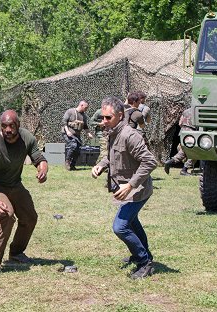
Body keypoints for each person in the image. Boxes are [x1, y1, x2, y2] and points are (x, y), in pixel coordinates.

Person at [91, 96, 157, 279]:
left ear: (120, 116)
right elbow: (115, 156)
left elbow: (150, 162)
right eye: (102, 117)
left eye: (107, 117)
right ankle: (144, 255)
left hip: (138, 190)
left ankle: (144, 262)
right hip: (128, 190)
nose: (103, 121)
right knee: (132, 222)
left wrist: (130, 185)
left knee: (120, 226)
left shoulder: (129, 135)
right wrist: (101, 165)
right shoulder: (113, 132)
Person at [0, 110, 48, 275]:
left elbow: (39, 158)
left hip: (15, 184)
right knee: (6, 214)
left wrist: (42, 169)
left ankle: (16, 253)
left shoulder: (27, 138)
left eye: (11, 126)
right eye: (4, 126)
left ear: (18, 125)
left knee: (30, 217)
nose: (8, 130)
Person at [61, 100, 94, 170]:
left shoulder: (84, 116)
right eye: (86, 107)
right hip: (68, 133)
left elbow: (85, 126)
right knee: (73, 145)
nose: (86, 109)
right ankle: (67, 162)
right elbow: (64, 122)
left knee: (78, 149)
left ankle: (72, 165)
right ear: (81, 105)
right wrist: (67, 131)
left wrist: (88, 133)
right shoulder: (70, 111)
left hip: (76, 135)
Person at [164, 107, 196, 176]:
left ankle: (170, 162)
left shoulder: (186, 111)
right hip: (192, 132)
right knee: (195, 152)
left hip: (183, 132)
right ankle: (184, 169)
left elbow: (180, 123)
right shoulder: (198, 110)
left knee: (183, 151)